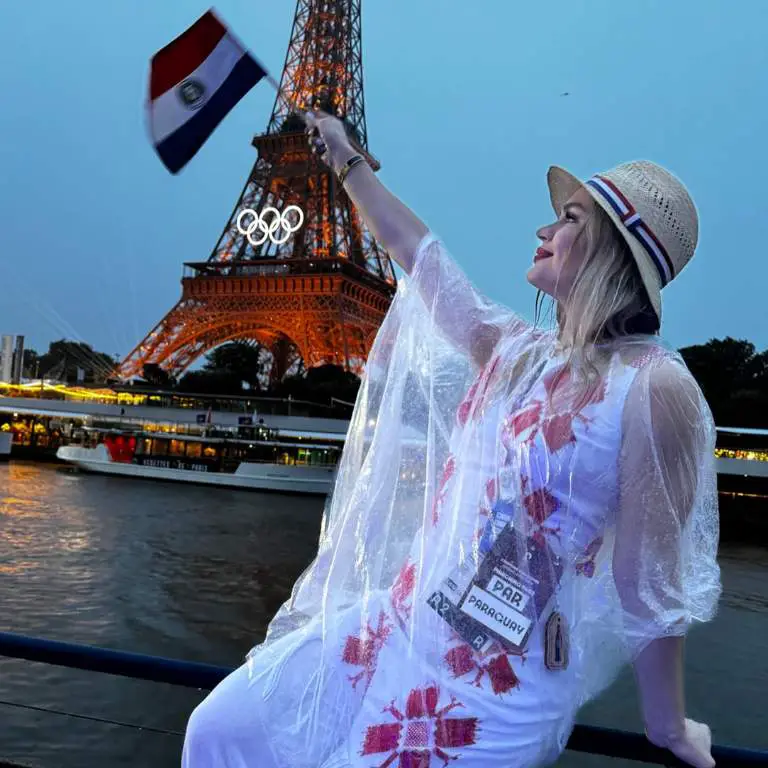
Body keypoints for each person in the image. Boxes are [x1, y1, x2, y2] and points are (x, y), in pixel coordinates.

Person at [181, 110, 721, 768]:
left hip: (496, 686)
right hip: (399, 625)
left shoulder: (654, 390)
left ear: (612, 250)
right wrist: (348, 162)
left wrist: (667, 728)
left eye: (571, 218)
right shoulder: (518, 354)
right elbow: (421, 256)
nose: (544, 229)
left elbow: (649, 584)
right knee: (217, 729)